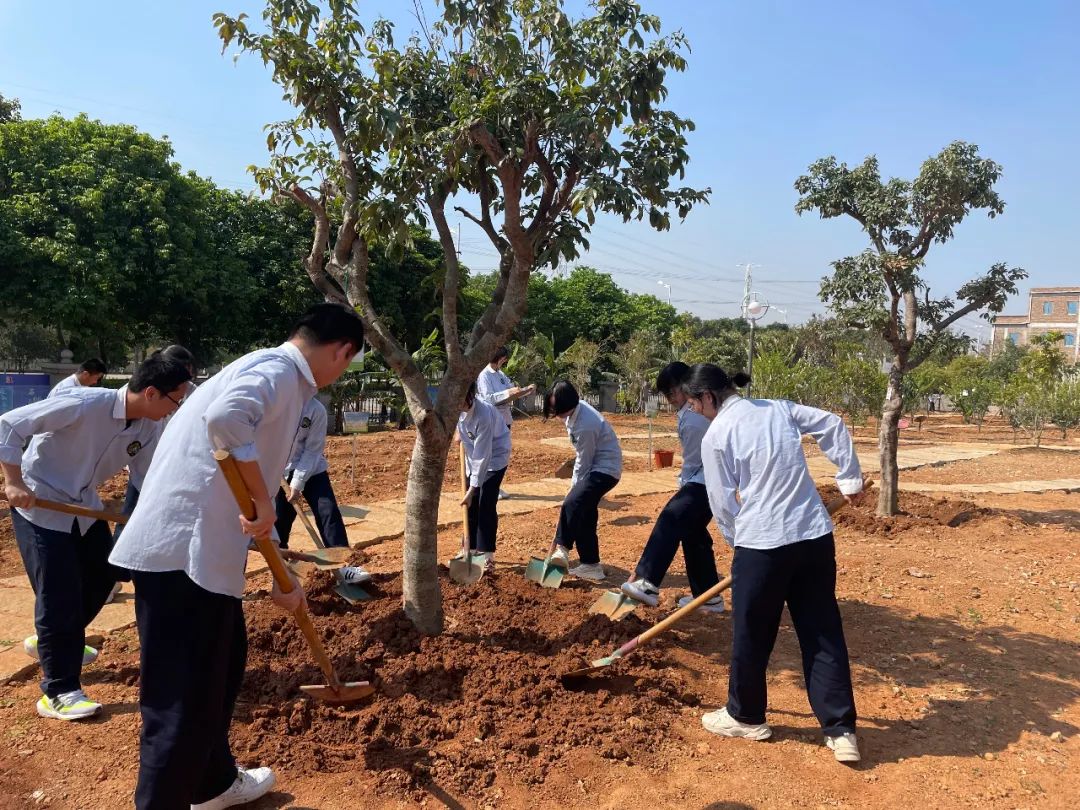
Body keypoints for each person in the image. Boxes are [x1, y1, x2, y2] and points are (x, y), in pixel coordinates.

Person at [108, 302, 364, 810]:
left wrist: (280, 571)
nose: (342, 372)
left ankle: (213, 783)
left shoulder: (270, 371)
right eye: (348, 362)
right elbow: (226, 421)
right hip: (181, 558)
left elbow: (223, 470)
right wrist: (264, 498)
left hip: (202, 557)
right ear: (341, 351)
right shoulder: (278, 372)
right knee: (181, 706)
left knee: (222, 673)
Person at [685, 363, 865, 764]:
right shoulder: (777, 408)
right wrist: (849, 479)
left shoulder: (716, 436)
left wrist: (736, 542)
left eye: (694, 402)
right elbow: (832, 423)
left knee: (752, 632)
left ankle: (746, 716)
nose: (693, 409)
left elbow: (722, 500)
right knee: (821, 631)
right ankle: (841, 730)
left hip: (763, 544)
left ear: (709, 396)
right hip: (813, 538)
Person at [0, 355, 192, 721]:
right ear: (151, 393)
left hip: (84, 507)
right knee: (59, 593)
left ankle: (55, 642)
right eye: (176, 399)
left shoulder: (148, 428)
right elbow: (9, 425)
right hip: (39, 504)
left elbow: (147, 480)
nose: (177, 408)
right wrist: (14, 482)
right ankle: (58, 690)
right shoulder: (85, 403)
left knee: (105, 576)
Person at [620, 362, 724, 613]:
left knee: (671, 517)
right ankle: (709, 596)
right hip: (711, 478)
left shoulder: (692, 417)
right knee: (693, 534)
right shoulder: (695, 410)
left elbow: (693, 462)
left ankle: (647, 582)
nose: (671, 400)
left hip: (706, 480)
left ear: (681, 388)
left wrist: (683, 487)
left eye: (671, 393)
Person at [275, 395, 370, 585]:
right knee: (279, 523)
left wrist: (297, 483)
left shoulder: (316, 410)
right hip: (279, 472)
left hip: (313, 471)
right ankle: (280, 571)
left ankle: (344, 565)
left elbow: (312, 451)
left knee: (328, 512)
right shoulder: (276, 406)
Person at [114, 345, 196, 545]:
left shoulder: (192, 392)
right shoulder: (138, 391)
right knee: (132, 511)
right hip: (145, 458)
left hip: (174, 461)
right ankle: (118, 564)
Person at [543, 380, 622, 581]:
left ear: (568, 404)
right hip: (596, 466)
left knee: (572, 503)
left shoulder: (586, 424)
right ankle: (591, 565)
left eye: (557, 409)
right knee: (585, 513)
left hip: (604, 470)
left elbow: (583, 462)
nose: (555, 413)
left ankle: (562, 549)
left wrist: (574, 489)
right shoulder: (575, 412)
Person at [454, 382, 510, 573]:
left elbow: (483, 456)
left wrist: (472, 488)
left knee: (485, 502)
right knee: (471, 505)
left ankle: (487, 556)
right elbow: (474, 453)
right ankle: (468, 549)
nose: (457, 401)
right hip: (473, 458)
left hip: (495, 458)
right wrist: (458, 433)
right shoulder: (456, 409)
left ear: (470, 394)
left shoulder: (483, 415)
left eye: (461, 397)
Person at [475, 346, 534, 499]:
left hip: (505, 419)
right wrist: (508, 392)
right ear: (501, 358)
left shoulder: (500, 374)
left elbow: (511, 391)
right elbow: (488, 398)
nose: (505, 361)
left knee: (501, 454)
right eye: (505, 358)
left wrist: (525, 390)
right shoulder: (484, 375)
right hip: (491, 419)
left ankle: (495, 486)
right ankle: (487, 487)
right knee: (490, 454)